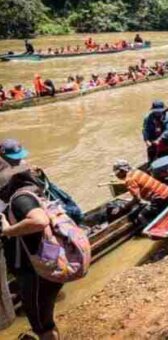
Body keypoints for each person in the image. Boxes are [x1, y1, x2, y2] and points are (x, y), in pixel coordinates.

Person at [0, 141, 63, 340]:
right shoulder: (33, 188)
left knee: (41, 321)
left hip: (33, 267)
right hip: (43, 260)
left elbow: (39, 220)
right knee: (43, 313)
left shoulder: (20, 198)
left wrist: (9, 230)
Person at [112, 160, 168, 226]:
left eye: (117, 173)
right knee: (148, 205)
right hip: (166, 190)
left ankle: (152, 232)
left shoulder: (129, 180)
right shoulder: (136, 171)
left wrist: (123, 207)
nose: (117, 176)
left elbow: (137, 199)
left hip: (160, 198)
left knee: (141, 216)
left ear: (123, 171)